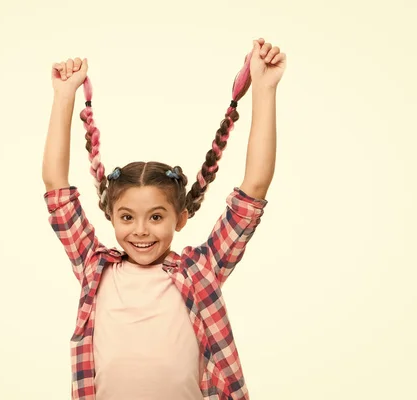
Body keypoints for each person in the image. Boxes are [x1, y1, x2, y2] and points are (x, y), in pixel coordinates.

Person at [42, 38, 286, 400]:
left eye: (156, 217)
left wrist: (264, 90)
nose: (140, 230)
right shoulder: (95, 267)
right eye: (127, 217)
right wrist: (64, 97)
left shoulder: (202, 269)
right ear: (110, 216)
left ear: (181, 218)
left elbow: (253, 190)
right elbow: (55, 186)